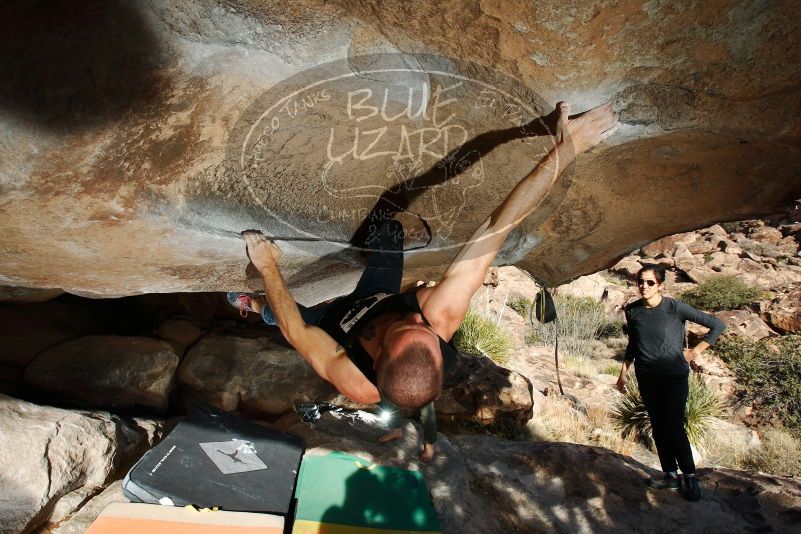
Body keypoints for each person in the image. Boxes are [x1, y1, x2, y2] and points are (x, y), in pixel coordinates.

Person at [232, 100, 618, 461]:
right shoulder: (438, 321)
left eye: (409, 325)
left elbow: (296, 329)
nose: (419, 315)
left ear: (380, 355)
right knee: (391, 233)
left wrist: (268, 267)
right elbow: (498, 227)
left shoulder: (356, 379)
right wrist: (567, 150)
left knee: (280, 312)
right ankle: (363, 245)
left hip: (332, 326)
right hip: (376, 296)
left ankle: (250, 305)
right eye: (425, 329)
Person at [616, 264, 725, 501]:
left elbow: (717, 325)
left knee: (674, 427)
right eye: (641, 282)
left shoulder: (675, 308)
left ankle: (690, 477)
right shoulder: (633, 310)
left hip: (673, 377)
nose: (644, 287)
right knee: (657, 425)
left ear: (660, 285)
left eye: (650, 282)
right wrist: (623, 372)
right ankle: (669, 475)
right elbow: (633, 343)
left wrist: (693, 353)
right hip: (646, 377)